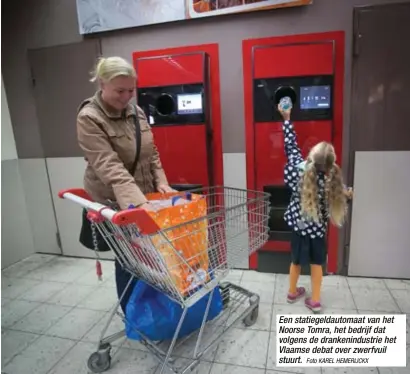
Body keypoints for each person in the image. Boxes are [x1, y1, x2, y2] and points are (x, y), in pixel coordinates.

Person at [76, 56, 174, 312]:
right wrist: (139, 205)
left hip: (144, 196)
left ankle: (155, 306)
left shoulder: (136, 112)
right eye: (120, 91)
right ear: (102, 83)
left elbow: (151, 152)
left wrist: (162, 183)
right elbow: (110, 167)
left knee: (151, 255)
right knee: (129, 260)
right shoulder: (89, 118)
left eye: (131, 90)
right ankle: (132, 314)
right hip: (113, 203)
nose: (126, 97)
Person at [278, 104, 353, 313]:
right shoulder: (332, 181)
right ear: (330, 165)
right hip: (317, 232)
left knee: (295, 260)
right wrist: (348, 193)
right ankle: (315, 300)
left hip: (297, 228)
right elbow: (341, 193)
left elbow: (291, 147)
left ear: (310, 156)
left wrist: (286, 119)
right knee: (317, 263)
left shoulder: (296, 172)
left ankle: (292, 292)